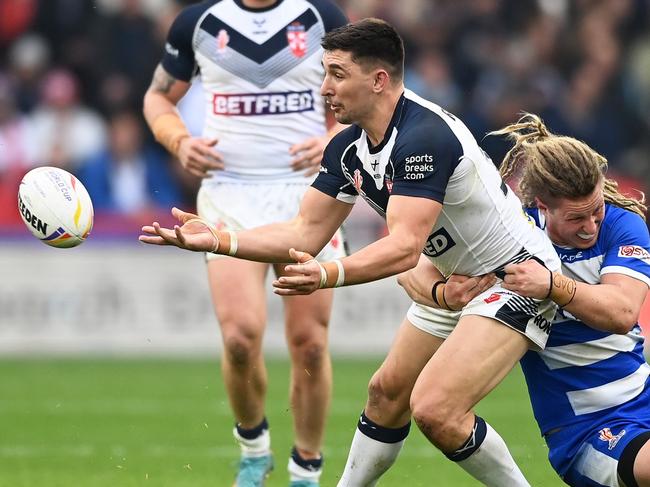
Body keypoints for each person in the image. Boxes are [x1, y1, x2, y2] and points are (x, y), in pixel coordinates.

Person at [140, 19, 561, 487]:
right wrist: (221, 240)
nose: (324, 88)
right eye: (324, 73)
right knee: (385, 393)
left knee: (437, 411)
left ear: (379, 80)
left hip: (515, 280)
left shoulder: (423, 137)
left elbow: (404, 249)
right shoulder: (347, 148)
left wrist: (326, 275)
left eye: (337, 74)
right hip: (458, 282)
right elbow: (305, 231)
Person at [141, 1, 348, 486]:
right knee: (239, 338)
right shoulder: (199, 22)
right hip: (229, 192)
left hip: (308, 193)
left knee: (310, 345)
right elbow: (157, 99)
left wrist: (337, 135)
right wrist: (178, 141)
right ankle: (254, 449)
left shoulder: (321, 16)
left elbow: (370, 94)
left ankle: (306, 467)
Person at [398, 114, 650, 487]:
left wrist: (551, 285)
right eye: (576, 217)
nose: (591, 226)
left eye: (595, 210)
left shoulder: (622, 224)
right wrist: (444, 294)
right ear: (543, 207)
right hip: (590, 428)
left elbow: (622, 312)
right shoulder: (512, 233)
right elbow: (410, 270)